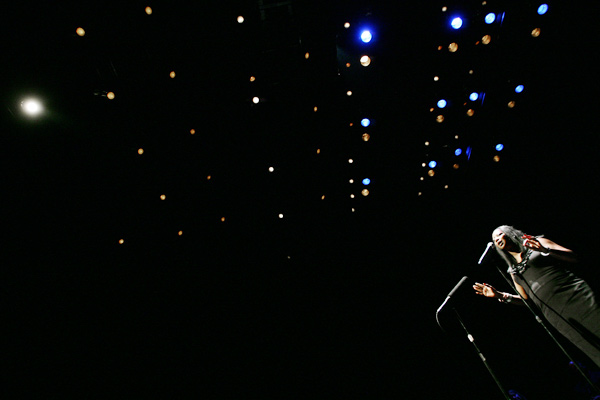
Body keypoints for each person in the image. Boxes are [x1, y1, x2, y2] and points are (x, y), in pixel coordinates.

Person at [473, 225, 600, 368]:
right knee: (591, 346)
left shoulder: (536, 243)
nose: (496, 239)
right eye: (494, 239)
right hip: (557, 315)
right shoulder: (513, 271)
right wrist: (500, 295)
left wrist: (545, 250)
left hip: (575, 295)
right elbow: (527, 300)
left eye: (499, 235)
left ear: (511, 233)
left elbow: (573, 256)